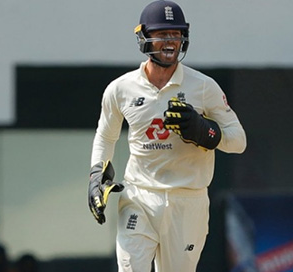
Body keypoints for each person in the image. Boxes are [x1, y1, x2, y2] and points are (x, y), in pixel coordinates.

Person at [88, 1, 246, 271]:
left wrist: (203, 131)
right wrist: (95, 177)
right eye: (162, 34)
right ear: (144, 38)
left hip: (188, 199)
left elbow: (238, 141)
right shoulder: (120, 89)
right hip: (139, 195)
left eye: (175, 34)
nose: (170, 41)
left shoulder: (204, 87)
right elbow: (106, 136)